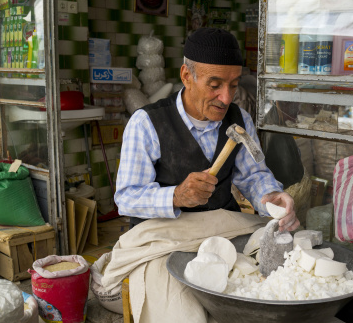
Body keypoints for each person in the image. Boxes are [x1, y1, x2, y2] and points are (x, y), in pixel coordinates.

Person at [115, 27, 299, 232]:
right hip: (165, 233)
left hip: (219, 228)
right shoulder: (146, 123)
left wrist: (270, 198)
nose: (227, 98)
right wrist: (176, 196)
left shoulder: (240, 120)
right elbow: (127, 198)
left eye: (233, 85)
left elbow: (253, 176)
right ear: (186, 76)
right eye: (214, 85)